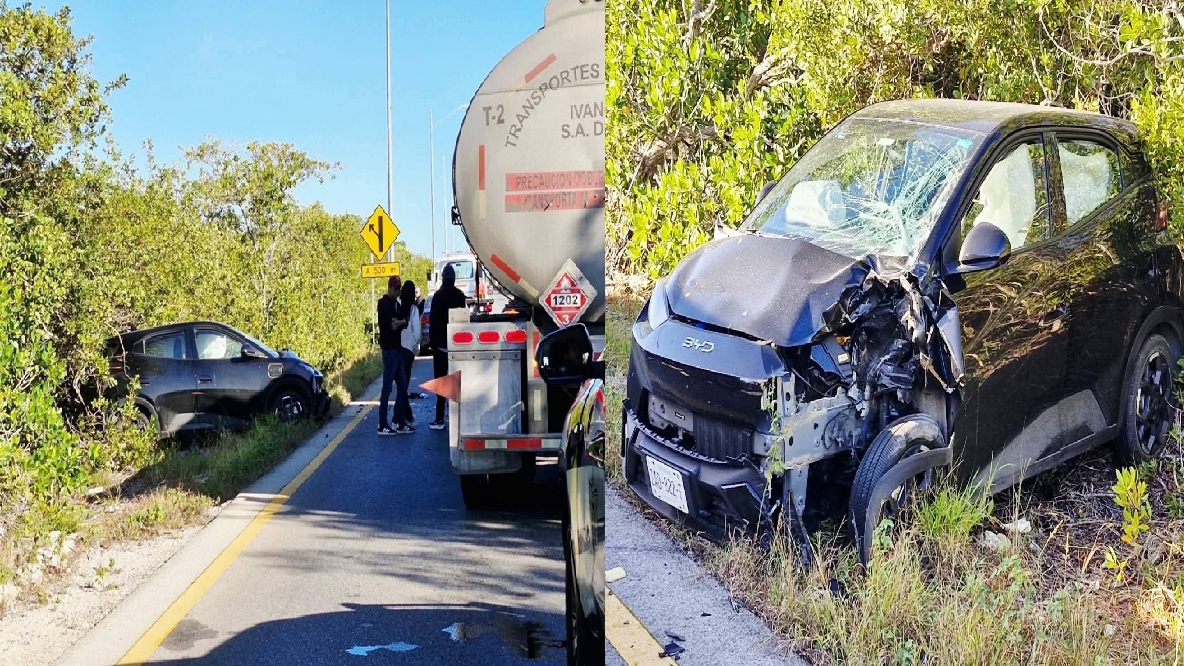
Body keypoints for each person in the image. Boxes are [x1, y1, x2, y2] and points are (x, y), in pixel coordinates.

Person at [427, 264, 468, 430]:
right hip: (456, 346)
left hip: (440, 347)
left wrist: (432, 343)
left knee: (441, 382)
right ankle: (458, 418)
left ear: (443, 277)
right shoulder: (460, 296)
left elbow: (433, 321)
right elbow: (463, 320)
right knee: (457, 383)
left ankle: (439, 418)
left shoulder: (437, 296)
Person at [377, 276, 412, 435]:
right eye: (395, 289)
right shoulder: (384, 305)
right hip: (389, 350)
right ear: (389, 288)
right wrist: (399, 322)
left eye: (399, 289)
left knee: (403, 386)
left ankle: (398, 420)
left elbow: (401, 323)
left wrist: (400, 322)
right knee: (387, 387)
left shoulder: (395, 305)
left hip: (397, 349)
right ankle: (382, 424)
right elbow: (393, 325)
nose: (397, 292)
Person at [398, 280, 421, 423]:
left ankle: (405, 415)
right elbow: (417, 333)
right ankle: (404, 416)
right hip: (407, 351)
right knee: (404, 384)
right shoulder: (413, 309)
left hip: (396, 349)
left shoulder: (397, 305)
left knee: (400, 384)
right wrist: (413, 347)